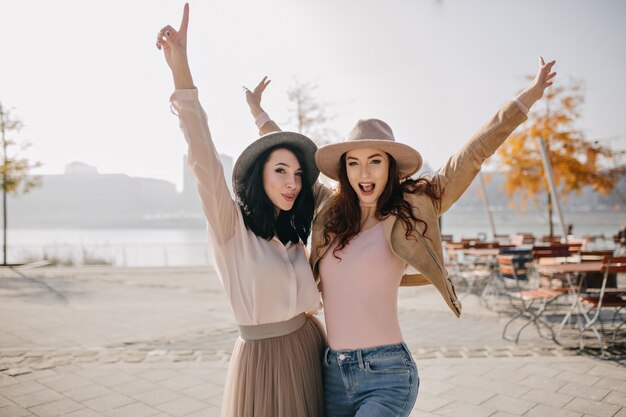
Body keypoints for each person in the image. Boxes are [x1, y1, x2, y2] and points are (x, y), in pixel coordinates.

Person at [245, 58, 556, 416]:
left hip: (388, 373)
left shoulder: (414, 209)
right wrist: (258, 113)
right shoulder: (330, 210)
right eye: (353, 162)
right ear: (344, 169)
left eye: (375, 161)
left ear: (390, 166)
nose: (364, 172)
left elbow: (472, 154)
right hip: (331, 372)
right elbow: (290, 160)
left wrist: (526, 99)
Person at [156, 4, 327, 417]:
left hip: (312, 349)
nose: (292, 182)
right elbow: (202, 156)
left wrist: (261, 115)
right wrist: (181, 69)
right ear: (258, 176)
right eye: (280, 171)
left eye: (298, 175)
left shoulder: (291, 234)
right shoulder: (230, 226)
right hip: (263, 363)